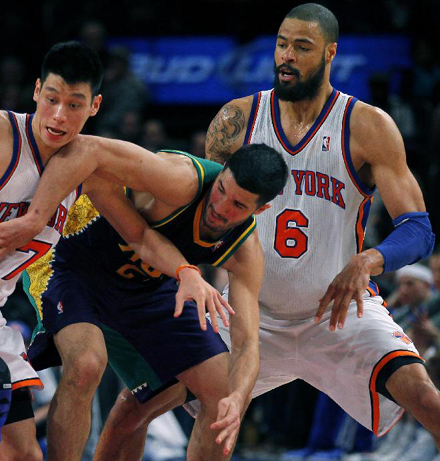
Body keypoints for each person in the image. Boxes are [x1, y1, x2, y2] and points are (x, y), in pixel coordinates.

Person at [88, 2, 440, 457]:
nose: (286, 56)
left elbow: (419, 229)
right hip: (247, 312)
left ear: (330, 53)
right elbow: (196, 216)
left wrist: (369, 259)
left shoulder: (367, 126)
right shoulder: (237, 121)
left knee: (427, 398)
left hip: (337, 313)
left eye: (302, 47)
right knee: (131, 410)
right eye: (281, 44)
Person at [0, 41, 225, 461]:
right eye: (51, 99)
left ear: (95, 106)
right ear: (36, 91)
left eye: (74, 104)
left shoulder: (87, 167)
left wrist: (186, 271)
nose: (58, 115)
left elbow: (140, 236)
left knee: (25, 455)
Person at [0, 141, 286, 460]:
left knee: (224, 395)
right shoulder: (179, 179)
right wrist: (35, 217)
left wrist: (240, 397)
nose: (220, 206)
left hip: (146, 284)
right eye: (221, 190)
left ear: (259, 211)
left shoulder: (246, 251)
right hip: (74, 258)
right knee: (86, 364)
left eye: (237, 205)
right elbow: (87, 150)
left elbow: (247, 346)